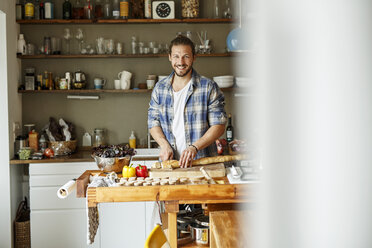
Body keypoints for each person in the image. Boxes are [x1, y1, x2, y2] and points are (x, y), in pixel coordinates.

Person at [148, 35, 227, 168]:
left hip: (201, 164)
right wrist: (164, 145)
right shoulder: (159, 88)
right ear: (169, 57)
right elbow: (153, 122)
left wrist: (194, 147)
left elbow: (219, 126)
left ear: (194, 58)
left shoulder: (208, 87)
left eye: (186, 56)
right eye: (176, 56)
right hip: (170, 164)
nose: (181, 62)